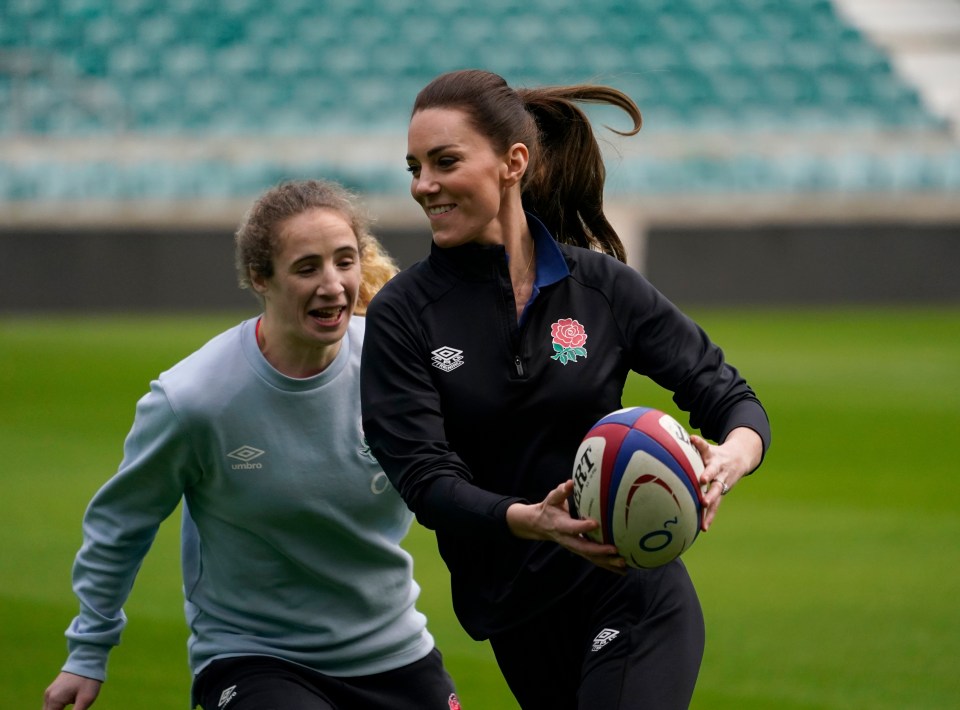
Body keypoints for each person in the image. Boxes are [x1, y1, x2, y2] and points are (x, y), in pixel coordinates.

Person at [359, 69, 771, 710]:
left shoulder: (602, 287)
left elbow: (728, 394)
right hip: (514, 612)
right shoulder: (404, 313)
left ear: (512, 163)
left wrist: (729, 458)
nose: (423, 186)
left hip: (631, 587)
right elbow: (425, 480)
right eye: (414, 167)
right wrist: (533, 521)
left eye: (444, 162)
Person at [42, 179, 461, 710]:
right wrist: (87, 650)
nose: (333, 285)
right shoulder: (193, 400)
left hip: (395, 650)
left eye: (345, 261)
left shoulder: (397, 365)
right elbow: (121, 523)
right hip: (255, 658)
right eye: (307, 268)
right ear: (260, 278)